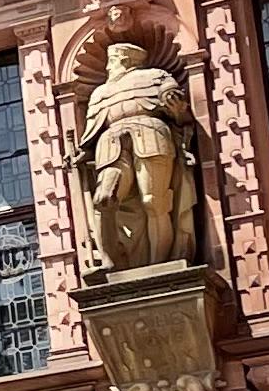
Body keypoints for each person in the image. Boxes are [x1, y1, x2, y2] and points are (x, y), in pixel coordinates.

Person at [80, 38, 199, 271]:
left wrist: (176, 106)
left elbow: (179, 113)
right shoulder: (99, 93)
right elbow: (90, 135)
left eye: (112, 61)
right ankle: (110, 261)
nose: (107, 67)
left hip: (151, 135)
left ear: (125, 60)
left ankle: (161, 266)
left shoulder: (156, 77)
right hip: (111, 144)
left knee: (154, 201)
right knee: (103, 199)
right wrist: (80, 154)